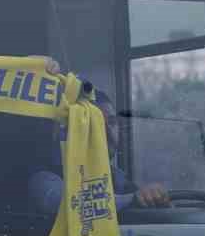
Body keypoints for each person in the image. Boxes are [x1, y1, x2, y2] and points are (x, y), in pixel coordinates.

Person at [27, 89, 169, 218]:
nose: (108, 132)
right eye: (96, 123)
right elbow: (70, 205)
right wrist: (134, 199)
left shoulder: (116, 176)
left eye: (112, 122)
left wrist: (154, 197)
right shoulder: (45, 179)